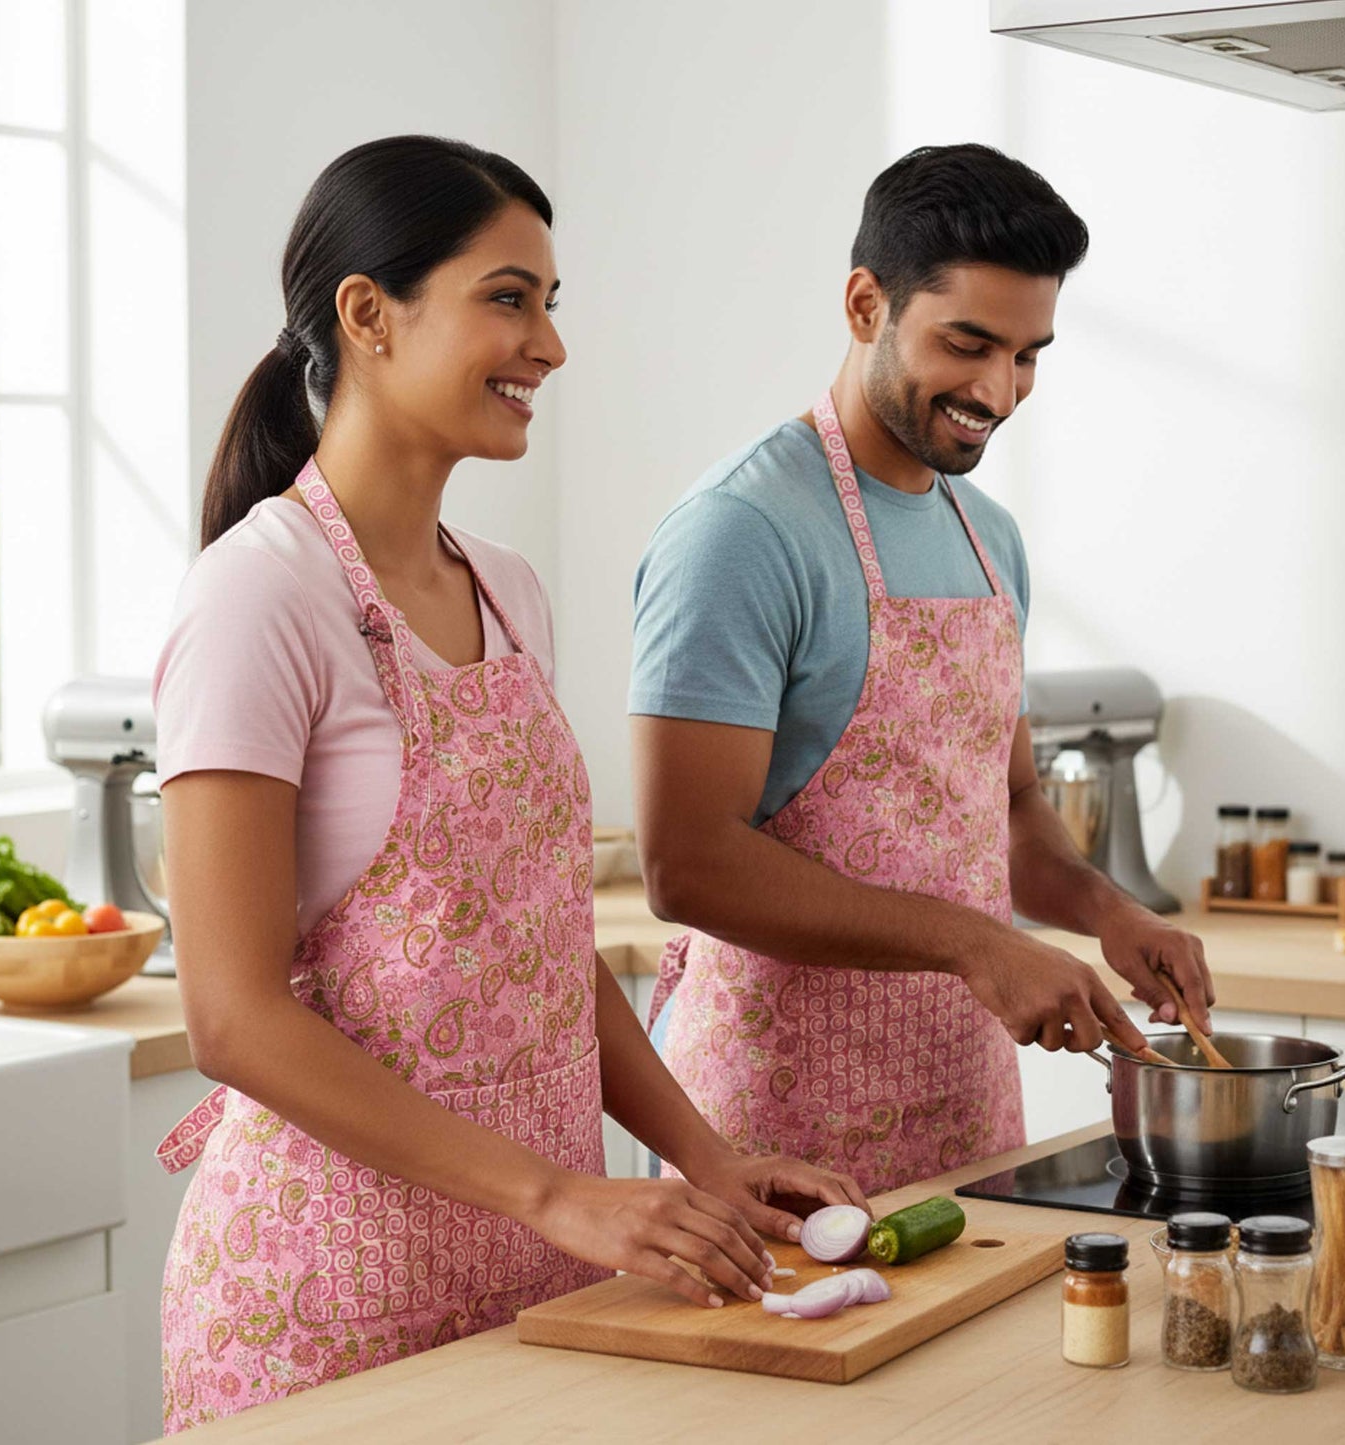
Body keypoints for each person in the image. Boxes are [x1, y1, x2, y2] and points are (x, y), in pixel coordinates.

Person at [153, 136, 866, 1434]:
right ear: (369, 314)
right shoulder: (259, 597)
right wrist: (555, 1191)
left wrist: (701, 1157)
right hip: (325, 1297)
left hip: (543, 1275)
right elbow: (233, 1019)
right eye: (508, 296)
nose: (549, 344)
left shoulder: (508, 590)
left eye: (550, 303)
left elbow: (537, 944)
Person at [632, 143, 1215, 1195]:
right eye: (967, 343)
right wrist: (972, 945)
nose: (997, 389)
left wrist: (1106, 908)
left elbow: (1011, 805)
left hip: (965, 1116)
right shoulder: (741, 531)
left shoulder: (989, 538)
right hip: (772, 1132)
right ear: (865, 304)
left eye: (1028, 353)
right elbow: (684, 863)